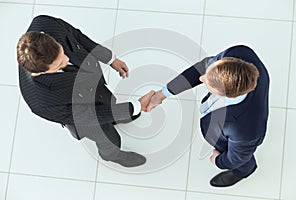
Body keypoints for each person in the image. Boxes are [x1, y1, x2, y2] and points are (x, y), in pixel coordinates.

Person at [17, 15, 155, 168]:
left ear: (45, 35)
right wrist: (135, 107)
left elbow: (77, 36)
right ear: (38, 73)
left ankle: (117, 116)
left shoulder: (44, 23)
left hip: (96, 88)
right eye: (59, 65)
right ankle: (112, 155)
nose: (67, 59)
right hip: (85, 115)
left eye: (62, 52)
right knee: (109, 138)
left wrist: (110, 59)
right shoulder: (41, 102)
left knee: (109, 101)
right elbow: (90, 116)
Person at [147, 45, 270, 187]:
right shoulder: (238, 53)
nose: (201, 78)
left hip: (233, 140)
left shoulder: (246, 130)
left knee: (243, 161)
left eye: (208, 82)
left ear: (227, 94)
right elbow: (202, 67)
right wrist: (162, 94)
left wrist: (218, 161)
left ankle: (245, 171)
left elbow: (237, 158)